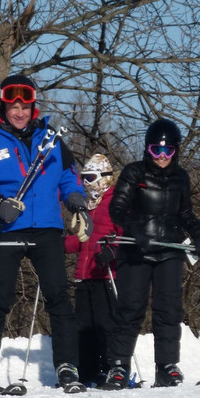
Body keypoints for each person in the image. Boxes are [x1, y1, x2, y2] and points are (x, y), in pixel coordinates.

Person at [0, 74, 90, 391]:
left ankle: (68, 365)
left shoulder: (51, 140)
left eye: (25, 106)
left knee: (59, 297)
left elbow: (68, 176)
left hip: (47, 227)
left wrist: (74, 196)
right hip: (9, 228)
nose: (19, 112)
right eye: (13, 106)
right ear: (3, 107)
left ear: (33, 107)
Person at [101, 118, 200, 390]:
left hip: (168, 252)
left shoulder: (181, 177)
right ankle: (118, 366)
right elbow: (118, 209)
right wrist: (136, 228)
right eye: (155, 151)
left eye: (168, 152)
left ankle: (167, 366)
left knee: (169, 310)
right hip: (137, 251)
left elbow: (185, 213)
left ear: (175, 151)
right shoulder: (134, 173)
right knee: (130, 309)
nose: (161, 158)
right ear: (147, 150)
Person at [63, 153, 121, 386]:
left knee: (105, 324)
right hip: (84, 275)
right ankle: (87, 370)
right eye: (83, 178)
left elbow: (125, 233)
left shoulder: (116, 202)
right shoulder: (87, 207)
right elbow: (81, 239)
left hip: (106, 273)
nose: (87, 183)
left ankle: (112, 368)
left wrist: (113, 250)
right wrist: (61, 244)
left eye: (91, 177)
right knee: (83, 325)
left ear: (105, 177)